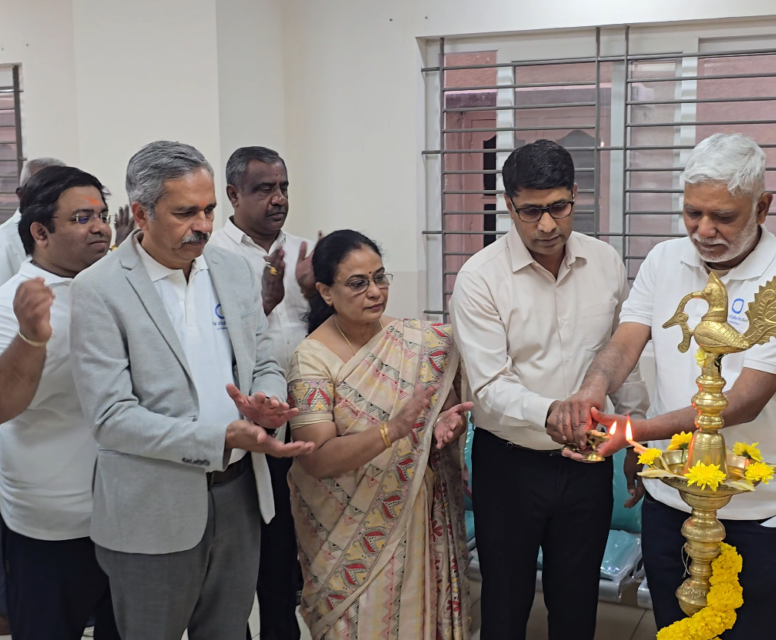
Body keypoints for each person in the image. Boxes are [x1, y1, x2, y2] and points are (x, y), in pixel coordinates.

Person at [565, 133, 776, 640]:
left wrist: (635, 430)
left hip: (755, 510)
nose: (704, 231)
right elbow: (626, 341)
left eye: (723, 217)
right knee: (674, 630)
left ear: (763, 207)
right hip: (672, 500)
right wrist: (592, 390)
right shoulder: (666, 261)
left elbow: (742, 401)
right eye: (692, 214)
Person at [69, 140, 315, 640]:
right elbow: (111, 417)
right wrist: (221, 438)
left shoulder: (229, 270)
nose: (203, 225)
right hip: (153, 507)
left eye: (208, 210)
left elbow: (263, 357)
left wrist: (266, 398)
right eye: (185, 212)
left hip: (238, 497)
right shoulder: (99, 289)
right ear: (141, 212)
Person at [449, 139, 649, 640]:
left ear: (575, 196)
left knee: (577, 601)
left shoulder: (605, 263)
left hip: (587, 464)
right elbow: (490, 386)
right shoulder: (480, 279)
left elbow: (624, 355)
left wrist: (635, 437)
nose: (547, 225)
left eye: (558, 207)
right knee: (505, 601)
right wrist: (556, 412)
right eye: (531, 211)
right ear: (509, 206)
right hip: (510, 465)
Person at [0, 166, 120, 640]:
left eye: (102, 215)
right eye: (82, 218)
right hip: (51, 527)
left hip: (122, 519)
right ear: (40, 232)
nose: (100, 227)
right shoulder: (8, 306)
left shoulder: (108, 290)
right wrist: (30, 338)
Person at [287, 230, 473, 639]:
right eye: (358, 283)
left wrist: (446, 427)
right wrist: (392, 431)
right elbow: (315, 457)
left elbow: (442, 418)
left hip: (418, 519)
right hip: (347, 535)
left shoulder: (423, 343)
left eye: (380, 277)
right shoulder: (311, 359)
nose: (375, 291)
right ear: (326, 292)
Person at [209, 146, 319, 640]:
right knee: (261, 548)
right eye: (263, 189)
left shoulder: (302, 251)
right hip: (250, 426)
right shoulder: (213, 258)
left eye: (284, 187)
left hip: (308, 417)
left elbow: (323, 333)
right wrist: (266, 299)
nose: (278, 199)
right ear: (233, 195)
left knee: (295, 542)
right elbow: (218, 347)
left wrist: (315, 294)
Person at [0, 157, 65, 306]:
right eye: (44, 189)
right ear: (21, 195)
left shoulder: (62, 235)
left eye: (60, 190)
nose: (52, 197)